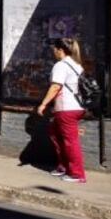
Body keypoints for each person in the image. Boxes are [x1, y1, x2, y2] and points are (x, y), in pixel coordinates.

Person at [36, 37, 87, 183]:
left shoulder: (61, 65)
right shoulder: (77, 65)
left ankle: (77, 174)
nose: (53, 52)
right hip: (75, 107)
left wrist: (43, 104)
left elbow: (56, 87)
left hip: (67, 108)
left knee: (70, 141)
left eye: (54, 49)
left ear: (60, 50)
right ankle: (63, 166)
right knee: (55, 134)